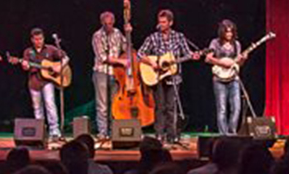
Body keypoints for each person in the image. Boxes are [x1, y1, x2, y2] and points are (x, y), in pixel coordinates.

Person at [137, 8, 201, 145]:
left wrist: (193, 56)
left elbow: (187, 53)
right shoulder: (153, 37)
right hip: (157, 76)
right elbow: (140, 53)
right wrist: (152, 63)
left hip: (173, 76)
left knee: (171, 107)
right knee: (160, 107)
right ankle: (159, 135)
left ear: (171, 23)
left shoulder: (179, 37)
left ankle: (172, 135)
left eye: (164, 22)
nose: (161, 24)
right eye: (160, 22)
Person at [19, 28, 68, 142]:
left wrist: (59, 67)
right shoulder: (28, 52)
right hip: (34, 82)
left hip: (47, 82)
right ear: (32, 40)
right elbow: (25, 66)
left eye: (40, 39)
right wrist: (25, 66)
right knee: (37, 108)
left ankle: (54, 131)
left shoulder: (50, 49)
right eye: (36, 39)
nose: (39, 41)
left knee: (50, 104)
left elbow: (66, 58)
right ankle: (40, 132)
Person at [91, 9, 128, 143]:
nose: (108, 26)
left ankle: (114, 131)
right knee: (102, 105)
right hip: (101, 72)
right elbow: (102, 57)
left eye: (110, 23)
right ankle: (103, 132)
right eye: (106, 24)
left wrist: (128, 33)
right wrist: (121, 61)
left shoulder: (118, 33)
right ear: (102, 23)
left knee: (115, 104)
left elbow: (126, 48)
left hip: (117, 74)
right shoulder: (97, 36)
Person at [205, 19, 244, 136]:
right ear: (222, 32)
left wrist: (243, 59)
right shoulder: (215, 43)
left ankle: (232, 132)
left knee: (236, 107)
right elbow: (208, 59)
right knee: (222, 108)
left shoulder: (237, 44)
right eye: (227, 32)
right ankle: (223, 135)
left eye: (231, 32)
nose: (229, 34)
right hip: (219, 79)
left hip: (234, 78)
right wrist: (222, 63)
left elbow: (239, 63)